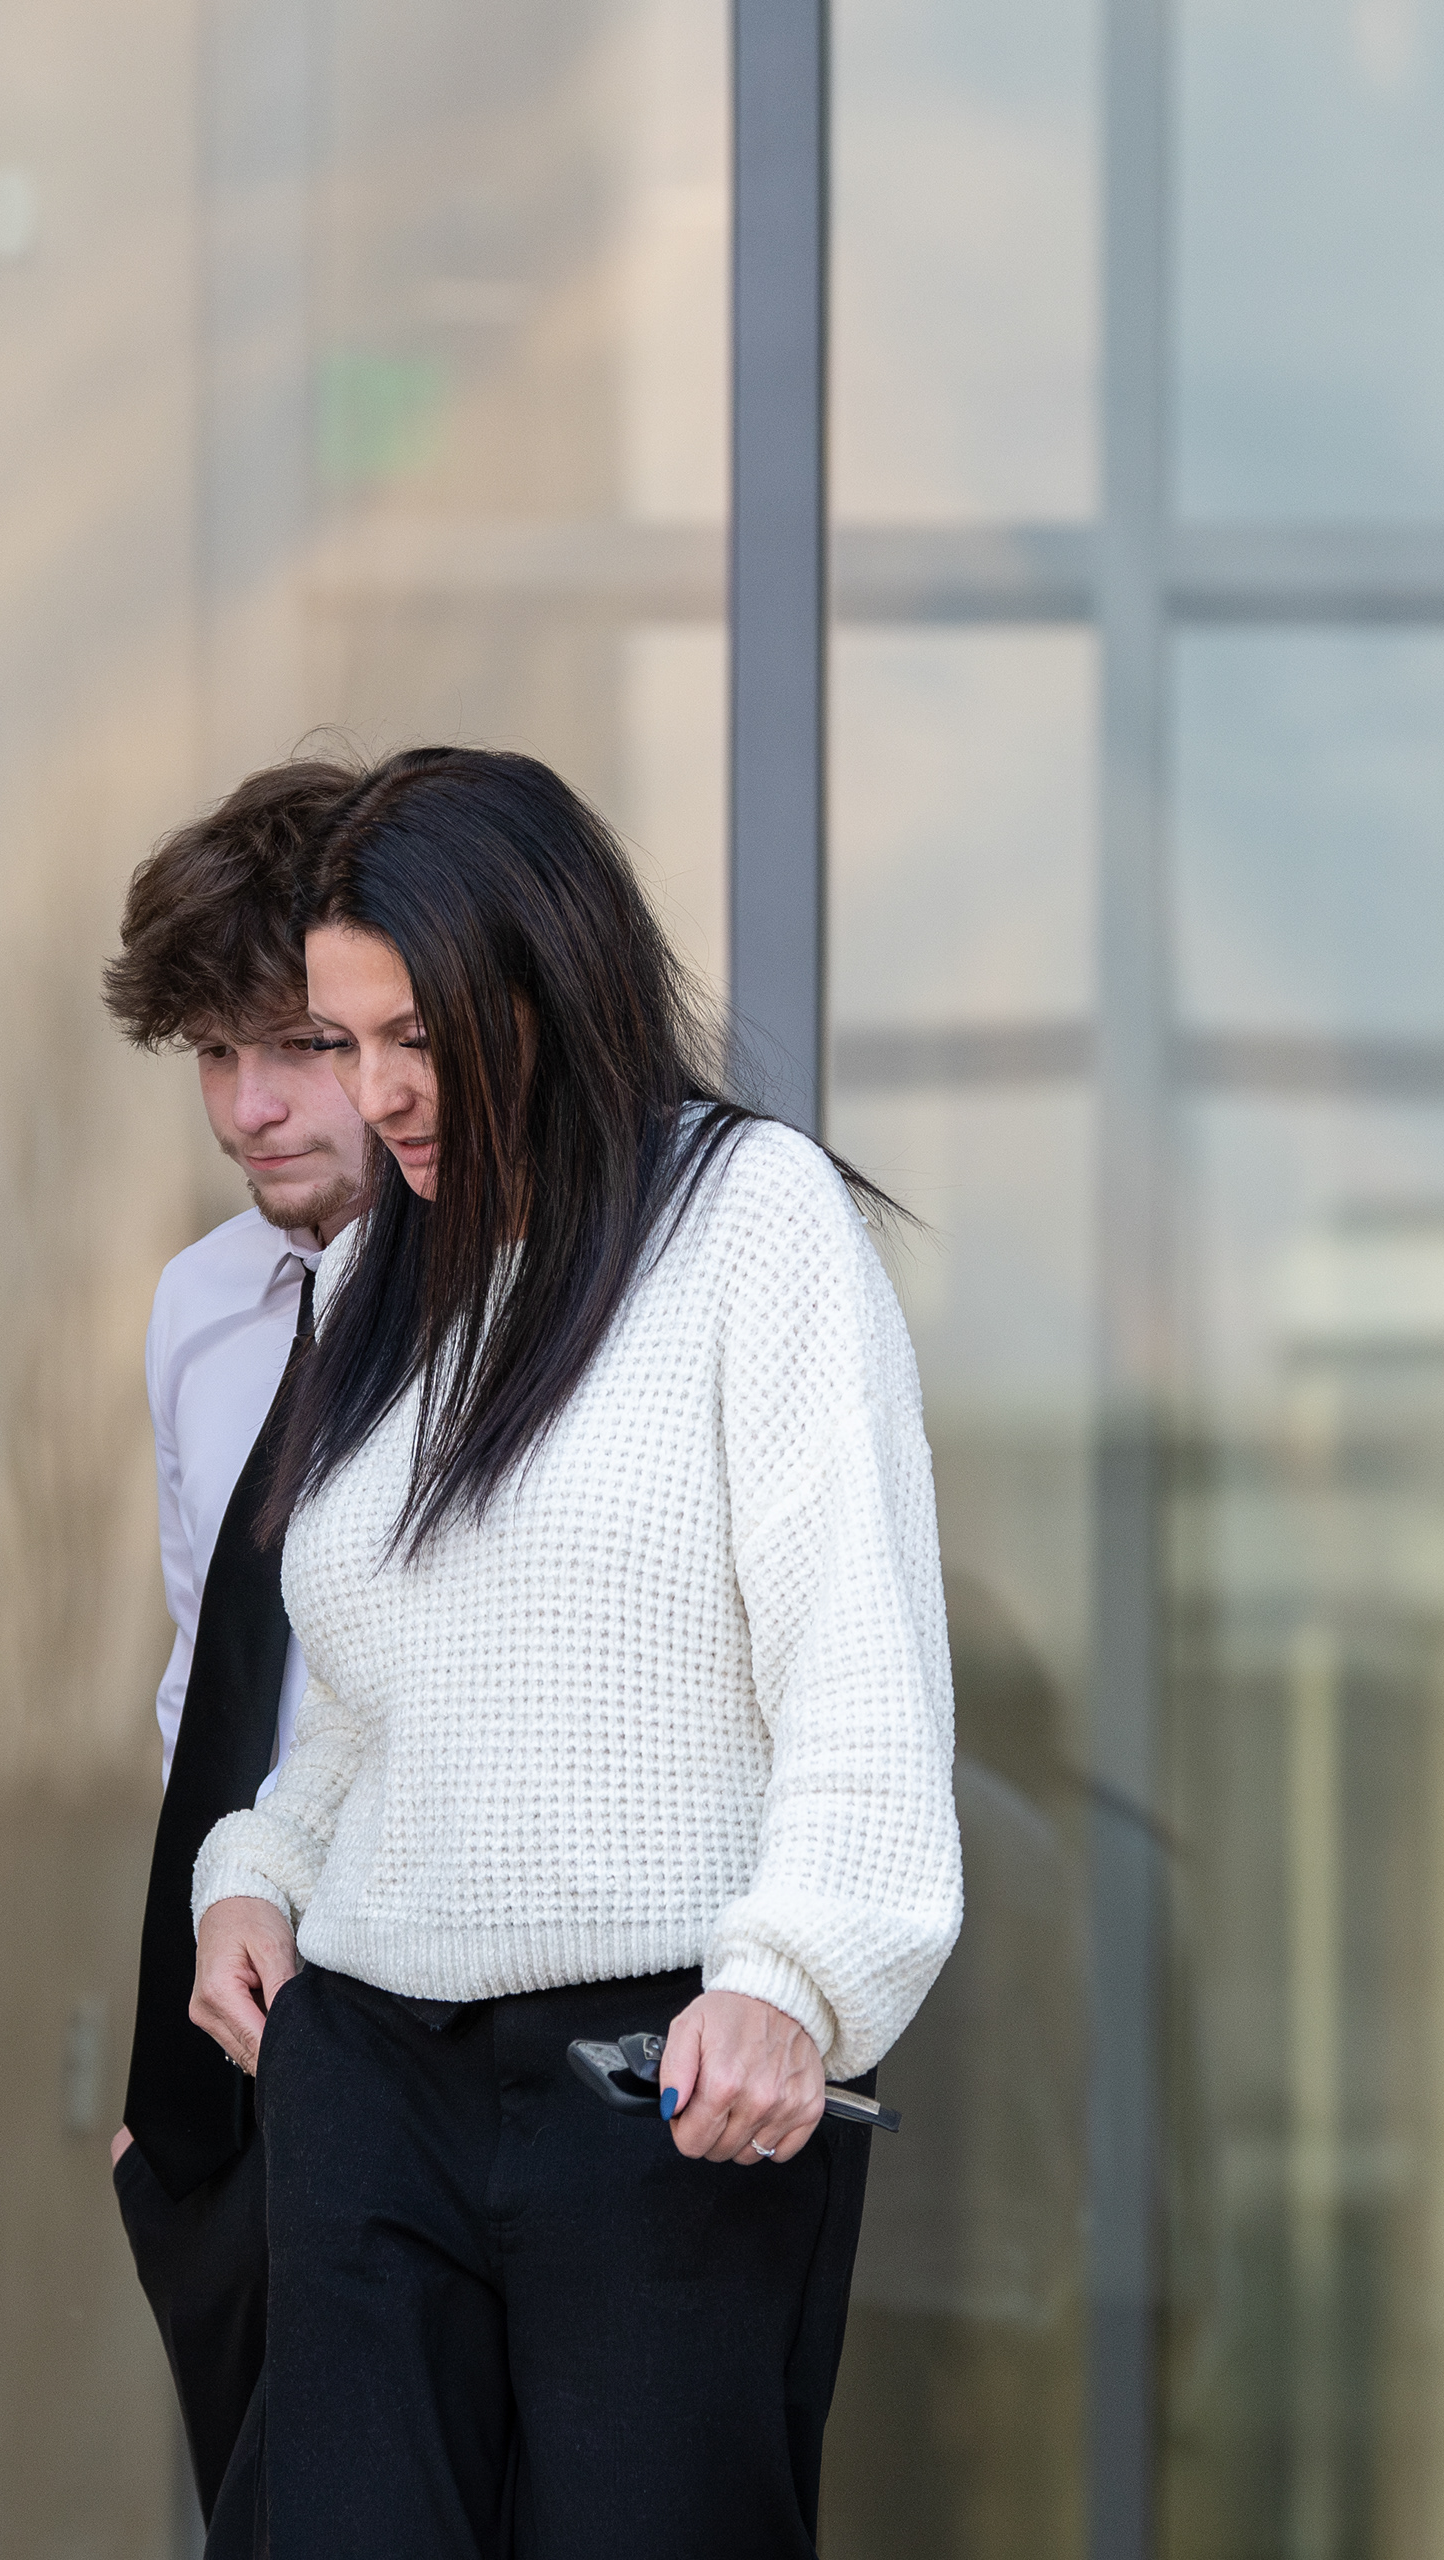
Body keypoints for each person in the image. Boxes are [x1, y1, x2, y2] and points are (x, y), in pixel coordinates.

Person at [185, 745, 962, 2556]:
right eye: (340, 1041)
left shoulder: (747, 1221)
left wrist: (800, 1975)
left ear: (549, 976)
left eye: (418, 1038)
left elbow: (861, 1659)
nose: (376, 1095)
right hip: (370, 2075)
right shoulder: (396, 1270)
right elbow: (377, 1700)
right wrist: (256, 1873)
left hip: (665, 2094)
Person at [97, 759, 376, 2546]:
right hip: (220, 2055)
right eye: (213, 1053)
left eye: (295, 1046)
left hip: (423, 2023)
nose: (249, 1107)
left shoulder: (504, 1315)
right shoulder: (201, 1310)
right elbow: (210, 1688)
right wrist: (162, 2103)